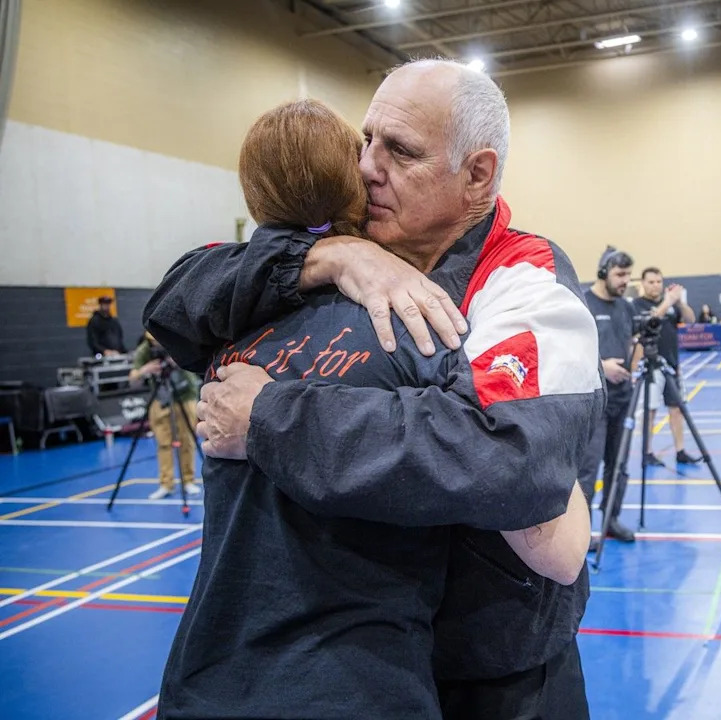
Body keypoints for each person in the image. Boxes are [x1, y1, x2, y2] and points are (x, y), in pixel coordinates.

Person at [145, 63, 603, 719]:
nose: (366, 167)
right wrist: (327, 258)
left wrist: (271, 416)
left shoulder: (523, 279)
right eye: (368, 139)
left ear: (477, 174)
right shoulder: (345, 253)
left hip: (497, 675)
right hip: (375, 669)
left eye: (401, 151)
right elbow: (174, 302)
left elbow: (502, 456)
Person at [578, 246, 638, 547]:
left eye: (628, 274)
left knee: (620, 464)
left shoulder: (626, 307)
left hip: (623, 398)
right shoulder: (583, 303)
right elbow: (570, 351)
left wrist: (632, 366)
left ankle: (611, 519)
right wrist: (603, 367)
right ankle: (581, 529)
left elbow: (632, 341)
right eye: (620, 274)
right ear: (603, 272)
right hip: (595, 399)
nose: (625, 280)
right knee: (589, 467)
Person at [633, 267, 701, 466]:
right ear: (643, 284)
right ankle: (647, 452)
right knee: (650, 411)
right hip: (651, 367)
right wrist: (668, 301)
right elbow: (651, 320)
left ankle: (680, 451)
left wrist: (679, 302)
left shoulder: (672, 304)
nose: (655, 285)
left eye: (658, 282)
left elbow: (690, 319)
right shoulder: (637, 305)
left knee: (676, 409)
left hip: (672, 365)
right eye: (651, 282)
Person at [128, 333, 201, 500]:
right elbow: (132, 379)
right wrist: (144, 371)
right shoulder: (146, 349)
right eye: (153, 342)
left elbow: (199, 361)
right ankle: (166, 484)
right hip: (161, 397)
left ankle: (188, 481)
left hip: (185, 394)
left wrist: (179, 361)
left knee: (187, 439)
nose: (157, 346)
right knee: (163, 442)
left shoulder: (179, 340)